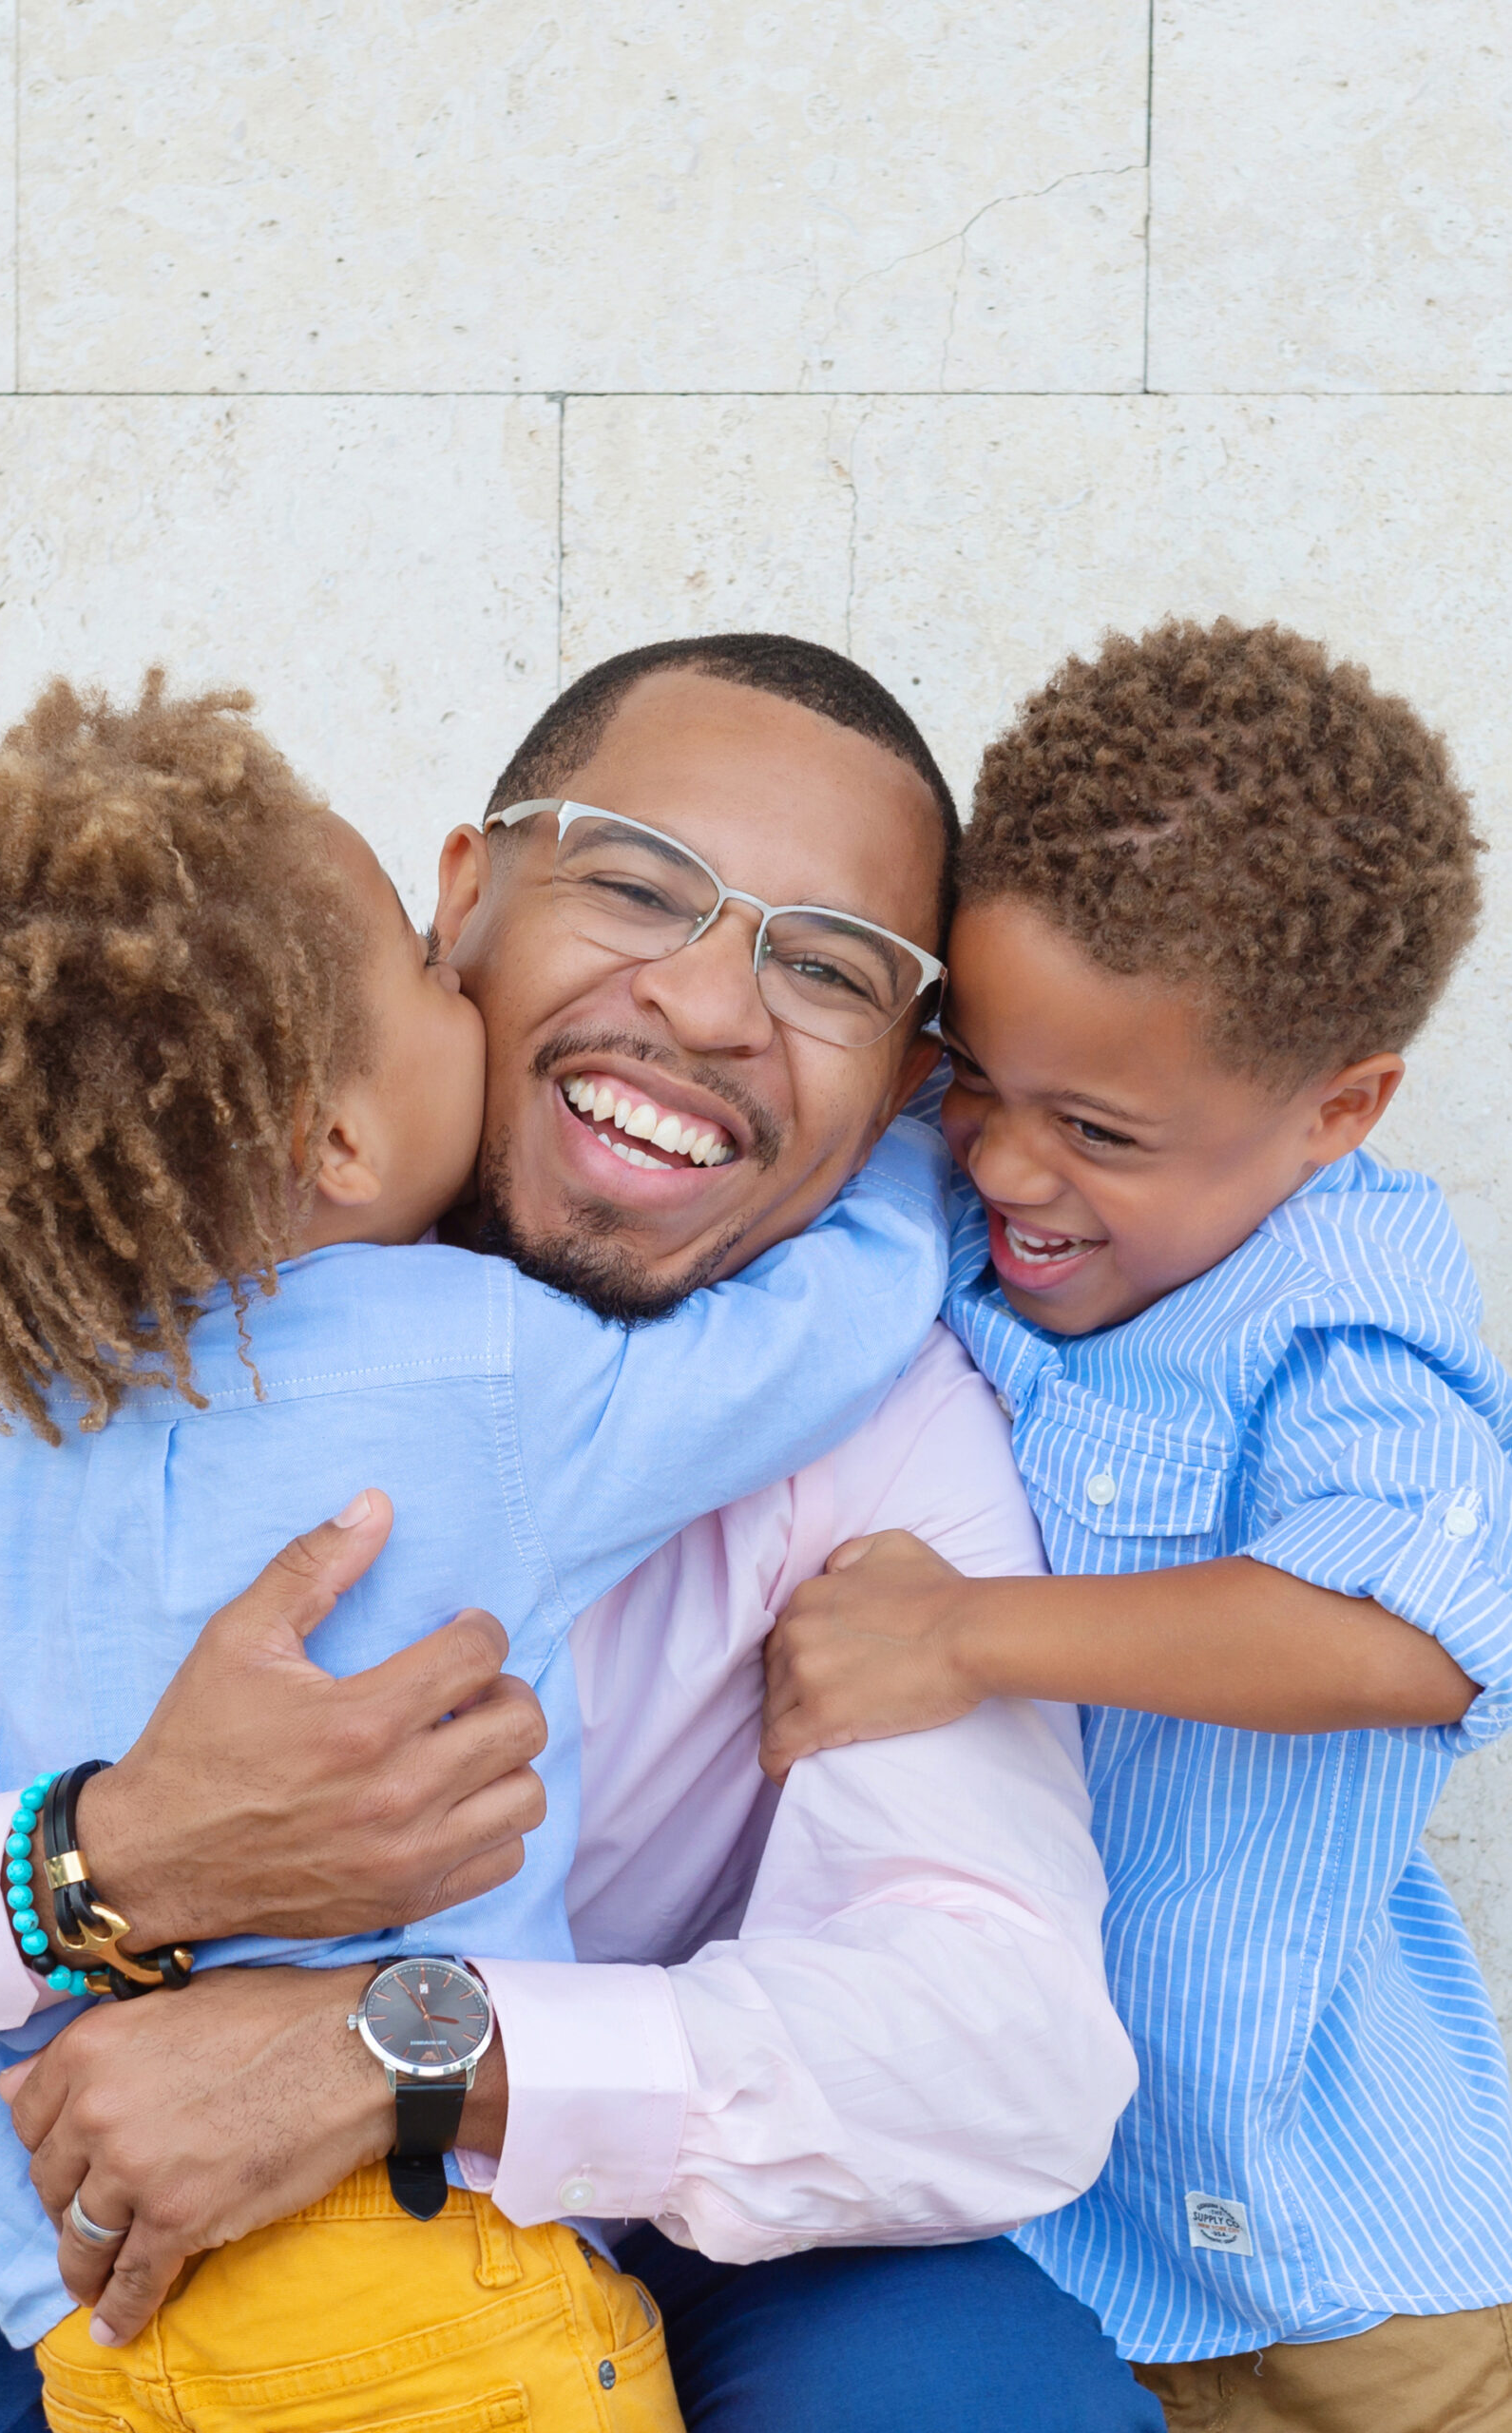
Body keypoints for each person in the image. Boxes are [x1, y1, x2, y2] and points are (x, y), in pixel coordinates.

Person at [0, 634, 1152, 2433]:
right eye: (639, 883)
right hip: (117, 2255)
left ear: (903, 1076)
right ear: (463, 904)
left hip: (646, 2213)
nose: (718, 1008)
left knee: (985, 2403)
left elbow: (1009, 2050)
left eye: (827, 969)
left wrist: (413, 2047)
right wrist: (108, 1866)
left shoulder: (887, 1429)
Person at [759, 619, 1512, 2430]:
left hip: (1308, 2232)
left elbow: (1402, 1634)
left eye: (1095, 1126)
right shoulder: (965, 1206)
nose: (1011, 1165)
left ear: (1336, 1109)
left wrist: (965, 1636)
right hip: (1029, 2218)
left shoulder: (1338, 1306)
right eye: (979, 1079)